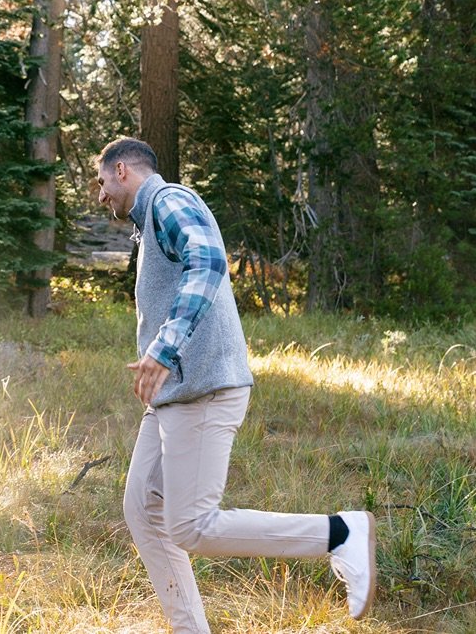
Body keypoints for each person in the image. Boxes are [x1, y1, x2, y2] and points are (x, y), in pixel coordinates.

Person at [94, 137, 378, 630]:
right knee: (142, 508)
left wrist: (163, 349)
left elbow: (208, 263)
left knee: (191, 526)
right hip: (174, 397)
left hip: (203, 390)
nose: (100, 196)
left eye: (100, 182)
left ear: (122, 170)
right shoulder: (152, 218)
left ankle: (339, 533)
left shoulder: (169, 200)